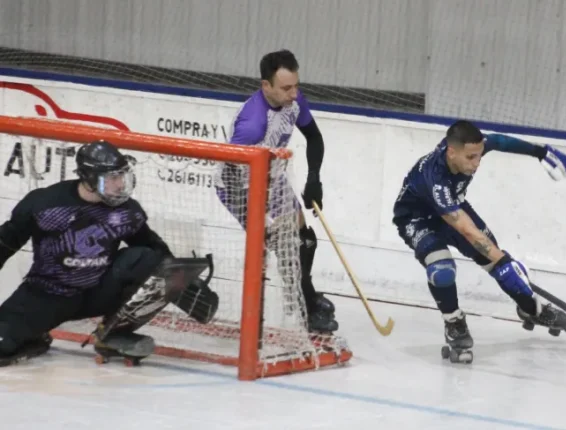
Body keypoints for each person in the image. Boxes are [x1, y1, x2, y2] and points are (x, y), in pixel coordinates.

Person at [0, 140, 217, 366]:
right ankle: (33, 334)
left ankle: (112, 334)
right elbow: (5, 243)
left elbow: (155, 251)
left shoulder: (127, 211)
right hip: (46, 295)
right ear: (89, 178)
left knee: (145, 258)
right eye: (112, 178)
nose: (120, 184)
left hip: (96, 293)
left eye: (122, 176)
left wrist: (184, 283)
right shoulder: (45, 204)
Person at [392, 120, 566, 364]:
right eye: (471, 158)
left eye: (479, 156)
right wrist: (505, 260)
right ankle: (454, 322)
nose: (476, 163)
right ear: (451, 152)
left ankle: (531, 308)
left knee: (496, 262)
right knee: (442, 268)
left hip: (455, 207)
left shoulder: (469, 148)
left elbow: (498, 141)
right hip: (417, 220)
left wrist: (540, 152)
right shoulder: (434, 179)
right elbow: (466, 230)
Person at [215, 49, 337, 333]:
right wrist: (257, 217)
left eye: (296, 86)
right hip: (239, 186)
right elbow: (231, 173)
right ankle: (306, 307)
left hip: (272, 175)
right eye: (286, 88)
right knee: (286, 244)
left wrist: (314, 180)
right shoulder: (252, 124)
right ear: (265, 86)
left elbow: (314, 137)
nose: (294, 94)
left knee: (305, 241)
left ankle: (305, 296)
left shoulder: (294, 100)